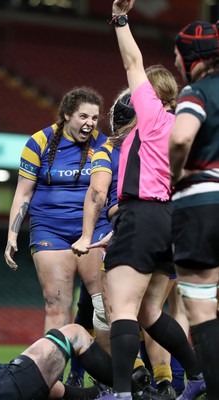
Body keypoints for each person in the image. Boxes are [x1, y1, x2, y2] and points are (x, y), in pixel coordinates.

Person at [88, 1, 206, 400]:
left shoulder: (152, 116)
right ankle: (196, 377)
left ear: (153, 96)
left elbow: (132, 61)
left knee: (122, 307)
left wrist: (121, 18)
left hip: (142, 215)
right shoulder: (194, 129)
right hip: (175, 222)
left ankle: (121, 394)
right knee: (150, 311)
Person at [72, 89, 179, 400]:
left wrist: (87, 236)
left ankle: (130, 382)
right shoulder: (162, 141)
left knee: (114, 311)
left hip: (128, 229)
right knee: (155, 313)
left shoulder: (109, 147)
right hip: (170, 227)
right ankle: (169, 382)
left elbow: (98, 193)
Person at [4, 87, 111, 337]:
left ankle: (108, 374)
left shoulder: (103, 143)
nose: (90, 123)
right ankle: (53, 377)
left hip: (95, 229)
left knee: (104, 306)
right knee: (55, 307)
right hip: (50, 230)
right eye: (83, 116)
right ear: (66, 115)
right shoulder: (39, 141)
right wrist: (12, 235)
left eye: (94, 118)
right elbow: (23, 192)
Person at [169, 19, 219, 400]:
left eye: (177, 55)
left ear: (191, 58)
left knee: (201, 309)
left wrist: (176, 174)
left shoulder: (196, 91)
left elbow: (182, 136)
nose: (174, 61)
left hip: (201, 204)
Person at [0, 323, 115, 400]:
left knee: (53, 387)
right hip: (6, 387)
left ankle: (95, 396)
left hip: (3, 381)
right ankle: (134, 391)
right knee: (74, 335)